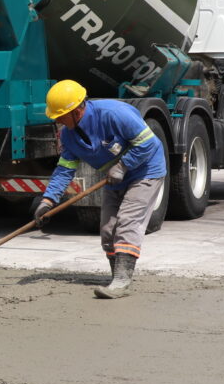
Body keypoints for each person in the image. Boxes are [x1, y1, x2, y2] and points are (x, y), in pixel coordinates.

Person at [35, 80, 167, 299]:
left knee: (127, 222)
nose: (57, 120)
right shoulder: (68, 135)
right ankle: (117, 275)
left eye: (60, 116)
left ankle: (122, 282)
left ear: (76, 111)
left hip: (145, 171)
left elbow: (149, 143)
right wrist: (48, 200)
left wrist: (123, 165)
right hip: (114, 179)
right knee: (107, 230)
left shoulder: (113, 114)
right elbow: (65, 169)